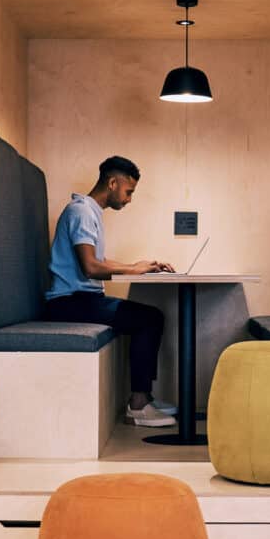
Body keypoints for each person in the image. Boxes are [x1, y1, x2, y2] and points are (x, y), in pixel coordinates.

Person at [44, 155, 178, 427]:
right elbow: (91, 268)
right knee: (150, 318)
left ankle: (145, 398)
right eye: (129, 192)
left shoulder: (89, 212)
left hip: (81, 299)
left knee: (148, 316)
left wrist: (140, 265)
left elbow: (99, 261)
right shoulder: (81, 212)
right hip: (69, 303)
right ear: (113, 182)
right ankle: (139, 404)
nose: (129, 199)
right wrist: (133, 269)